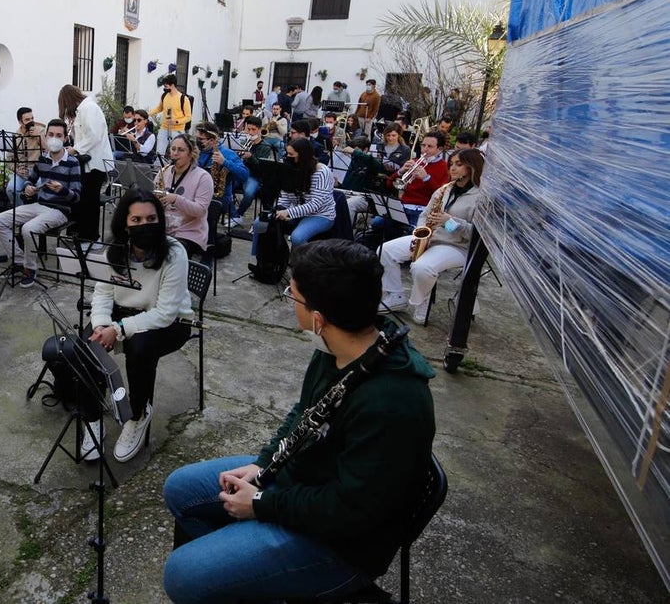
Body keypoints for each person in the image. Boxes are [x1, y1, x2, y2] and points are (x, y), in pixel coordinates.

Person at [162, 239, 436, 603]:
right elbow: (302, 414)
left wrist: (260, 504)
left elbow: (352, 511)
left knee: (181, 576)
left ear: (319, 318)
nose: (291, 305)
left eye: (293, 297)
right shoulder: (336, 346)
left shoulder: (391, 402)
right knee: (179, 488)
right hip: (305, 483)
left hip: (340, 544)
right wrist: (261, 467)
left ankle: (249, 576)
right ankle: (239, 577)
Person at [86, 190, 194, 462]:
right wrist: (100, 326)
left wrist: (118, 329)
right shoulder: (115, 251)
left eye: (151, 218)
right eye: (136, 219)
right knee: (88, 345)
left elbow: (165, 314)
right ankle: (92, 417)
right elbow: (102, 293)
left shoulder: (174, 253)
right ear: (125, 223)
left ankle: (138, 414)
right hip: (124, 315)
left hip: (172, 323)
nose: (144, 224)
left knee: (140, 346)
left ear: (160, 220)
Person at [379, 148, 484, 322]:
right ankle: (396, 295)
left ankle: (422, 300)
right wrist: (421, 234)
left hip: (456, 246)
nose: (452, 168)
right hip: (430, 237)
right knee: (385, 250)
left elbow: (477, 234)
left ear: (472, 167)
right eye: (451, 164)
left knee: (421, 268)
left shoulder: (479, 197)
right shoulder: (445, 189)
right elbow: (424, 215)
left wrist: (449, 222)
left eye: (459, 164)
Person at [0, 119, 82, 288]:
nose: (54, 138)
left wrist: (61, 190)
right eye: (51, 134)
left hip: (59, 211)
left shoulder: (73, 163)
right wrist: (28, 188)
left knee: (28, 229)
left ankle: (30, 268)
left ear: (64, 139)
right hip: (39, 205)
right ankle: (19, 261)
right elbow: (30, 180)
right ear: (46, 136)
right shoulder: (43, 159)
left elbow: (76, 197)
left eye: (58, 135)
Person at [248, 138, 335, 265]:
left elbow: (316, 205)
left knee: (297, 237)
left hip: (320, 215)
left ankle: (301, 268)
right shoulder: (290, 168)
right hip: (296, 210)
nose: (287, 157)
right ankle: (258, 261)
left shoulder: (321, 172)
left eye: (291, 155)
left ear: (303, 155)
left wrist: (289, 212)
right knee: (259, 223)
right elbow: (286, 194)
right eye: (287, 153)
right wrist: (280, 208)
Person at [59, 84, 113, 242]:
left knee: (91, 201)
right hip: (88, 163)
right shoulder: (82, 110)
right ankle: (81, 234)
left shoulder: (89, 108)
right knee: (84, 200)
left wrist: (75, 149)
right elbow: (85, 136)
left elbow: (93, 136)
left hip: (96, 164)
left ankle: (91, 238)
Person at [155, 133, 213, 258]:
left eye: (181, 150)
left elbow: (200, 210)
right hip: (163, 228)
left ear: (191, 153)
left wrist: (175, 199)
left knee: (170, 254)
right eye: (173, 149)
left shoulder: (203, 177)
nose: (175, 153)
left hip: (189, 233)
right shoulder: (163, 172)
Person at [195, 122, 248, 222]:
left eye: (201, 139)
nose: (197, 142)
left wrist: (225, 162)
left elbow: (244, 175)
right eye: (197, 138)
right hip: (197, 193)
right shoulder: (196, 151)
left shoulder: (227, 153)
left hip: (218, 198)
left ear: (213, 140)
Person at [234, 116, 276, 222]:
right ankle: (231, 212)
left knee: (249, 193)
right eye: (248, 129)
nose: (251, 132)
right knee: (225, 188)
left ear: (259, 130)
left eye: (254, 130)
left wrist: (250, 157)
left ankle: (238, 215)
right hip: (240, 173)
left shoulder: (265, 147)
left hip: (253, 176)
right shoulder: (243, 142)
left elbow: (261, 169)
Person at [6, 107, 46, 206]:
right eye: (27, 120)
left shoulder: (41, 131)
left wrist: (38, 137)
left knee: (42, 189)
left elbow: (49, 151)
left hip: (39, 171)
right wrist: (16, 170)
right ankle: (21, 212)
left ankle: (38, 213)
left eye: (32, 118)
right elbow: (9, 160)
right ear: (20, 122)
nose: (31, 122)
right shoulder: (16, 136)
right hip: (23, 172)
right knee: (11, 189)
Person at [149, 74, 195, 154]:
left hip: (177, 131)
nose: (164, 87)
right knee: (159, 154)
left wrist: (176, 121)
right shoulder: (164, 96)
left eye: (166, 85)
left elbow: (188, 117)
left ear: (172, 85)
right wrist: (148, 114)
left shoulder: (183, 98)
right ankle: (160, 166)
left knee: (177, 154)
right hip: (164, 129)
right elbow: (159, 108)